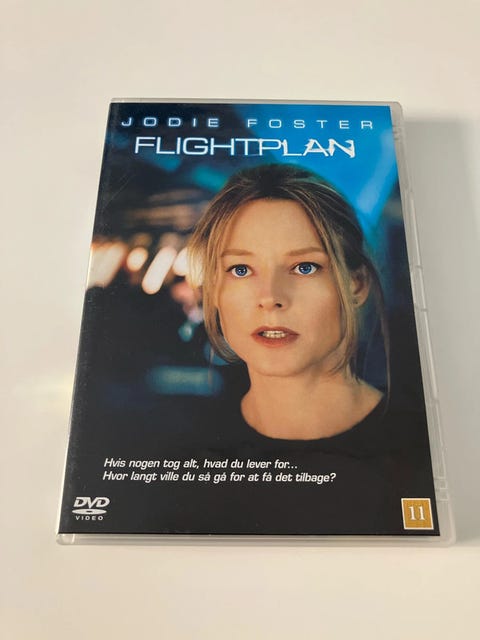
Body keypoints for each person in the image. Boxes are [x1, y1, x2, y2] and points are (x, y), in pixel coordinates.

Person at [188, 163, 389, 441]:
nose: (270, 297)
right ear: (214, 289)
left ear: (356, 285)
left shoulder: (422, 440)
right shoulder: (188, 444)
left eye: (304, 267)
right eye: (241, 269)